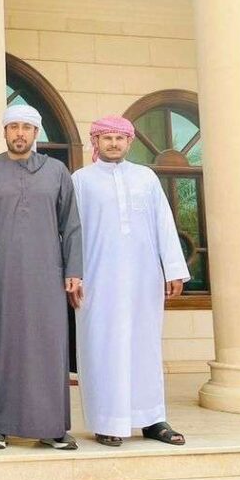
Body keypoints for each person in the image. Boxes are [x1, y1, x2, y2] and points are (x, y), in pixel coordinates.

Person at [0, 104, 83, 450]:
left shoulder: (57, 171)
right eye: (13, 127)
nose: (19, 133)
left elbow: (71, 224)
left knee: (48, 348)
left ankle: (51, 427)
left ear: (36, 133)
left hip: (47, 276)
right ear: (4, 131)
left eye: (26, 127)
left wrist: (74, 269)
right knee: (0, 348)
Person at [73, 115, 190, 447]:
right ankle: (107, 421)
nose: (113, 143)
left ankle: (152, 419)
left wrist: (173, 268)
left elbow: (164, 223)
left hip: (143, 279)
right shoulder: (80, 180)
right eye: (106, 138)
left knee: (145, 347)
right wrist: (73, 274)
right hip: (97, 280)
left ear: (129, 142)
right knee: (101, 348)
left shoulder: (146, 178)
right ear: (95, 142)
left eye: (119, 138)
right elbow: (71, 231)